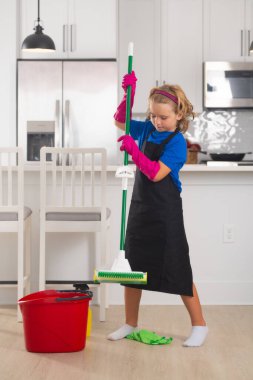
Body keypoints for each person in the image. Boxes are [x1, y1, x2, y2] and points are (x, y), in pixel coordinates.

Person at [108, 71, 208, 347]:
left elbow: (155, 174)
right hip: (142, 210)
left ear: (178, 116)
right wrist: (128, 97)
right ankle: (130, 323)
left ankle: (199, 326)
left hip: (165, 213)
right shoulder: (149, 129)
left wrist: (134, 152)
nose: (157, 121)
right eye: (153, 115)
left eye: (163, 117)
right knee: (133, 267)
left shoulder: (177, 142)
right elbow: (120, 121)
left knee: (178, 267)